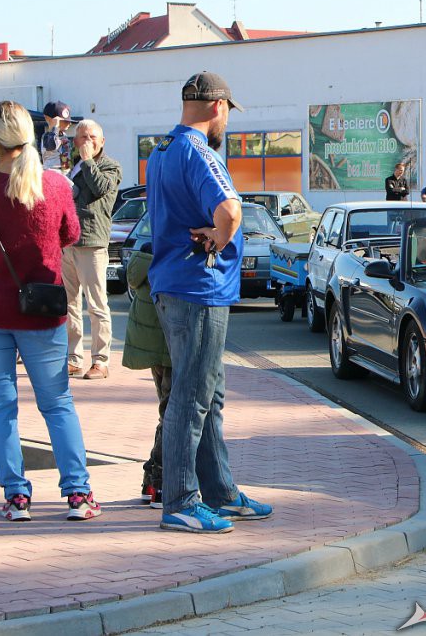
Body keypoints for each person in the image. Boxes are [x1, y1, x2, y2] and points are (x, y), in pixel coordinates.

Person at [0, 101, 101, 522]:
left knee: (2, 407)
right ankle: (77, 494)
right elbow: (72, 234)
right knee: (57, 402)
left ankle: (16, 497)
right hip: (41, 309)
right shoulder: (55, 184)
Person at [146, 71, 271, 533]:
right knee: (192, 396)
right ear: (219, 107)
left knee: (207, 393)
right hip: (198, 287)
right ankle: (181, 499)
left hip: (173, 284)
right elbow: (231, 208)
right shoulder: (200, 152)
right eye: (228, 113)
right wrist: (221, 237)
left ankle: (220, 492)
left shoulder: (162, 150)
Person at [62, 120, 122, 380]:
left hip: (92, 243)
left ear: (102, 140)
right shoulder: (72, 166)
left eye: (93, 136)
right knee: (69, 305)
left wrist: (87, 161)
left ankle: (100, 360)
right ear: (75, 141)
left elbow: (100, 189)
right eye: (82, 137)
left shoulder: (110, 166)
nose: (88, 141)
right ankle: (73, 359)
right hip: (67, 243)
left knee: (97, 306)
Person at [123, 243, 170, 509]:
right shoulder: (170, 257)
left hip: (153, 351)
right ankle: (160, 483)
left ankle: (150, 481)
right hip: (171, 350)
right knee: (172, 416)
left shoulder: (144, 259)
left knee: (167, 414)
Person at [40, 101, 74, 174]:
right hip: (52, 172)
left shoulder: (63, 135)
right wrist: (54, 127)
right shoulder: (48, 136)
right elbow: (50, 145)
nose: (69, 123)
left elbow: (67, 157)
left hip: (64, 172)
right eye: (65, 121)